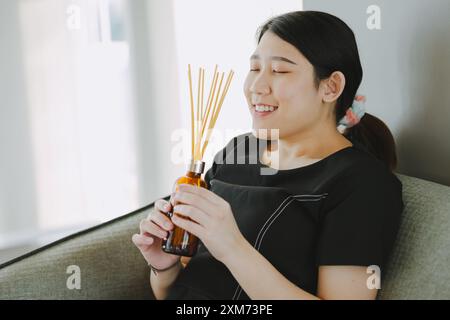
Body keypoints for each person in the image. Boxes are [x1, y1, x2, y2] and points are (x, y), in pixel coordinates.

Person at [132, 11, 404, 300]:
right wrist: (165, 267)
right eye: (254, 69)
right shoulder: (237, 152)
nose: (256, 87)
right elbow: (175, 292)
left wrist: (232, 246)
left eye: (280, 71)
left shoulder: (363, 184)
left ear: (331, 87)